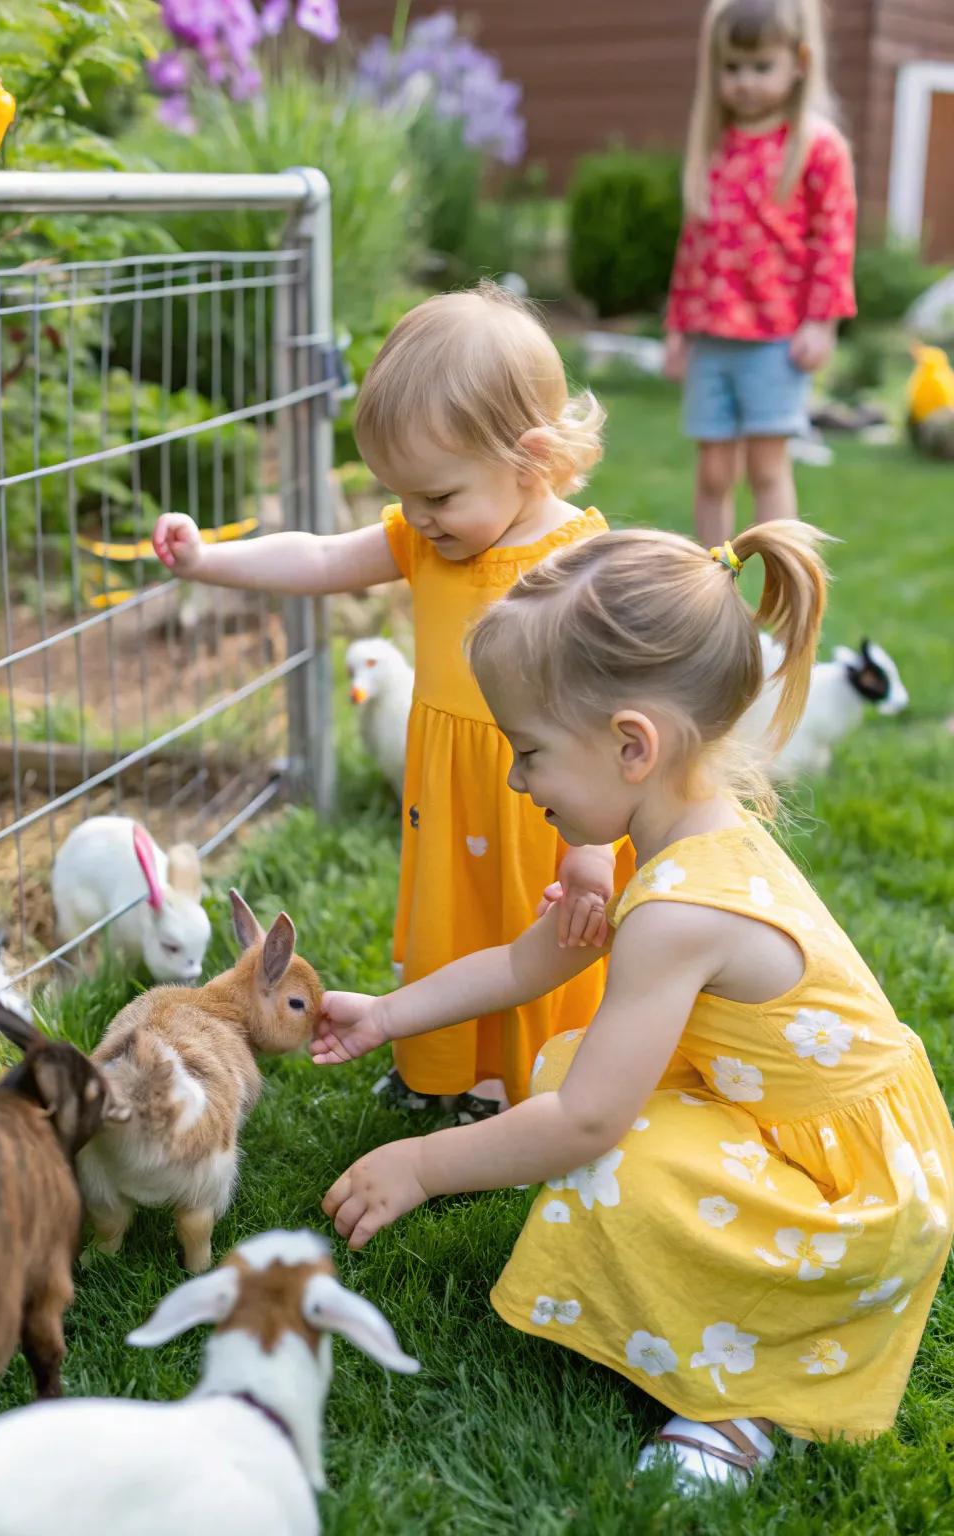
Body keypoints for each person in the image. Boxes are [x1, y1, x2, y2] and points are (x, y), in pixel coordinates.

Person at [312, 521, 954, 1490]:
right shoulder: (674, 829)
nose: (518, 780)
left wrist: (424, 1164)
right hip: (835, 1142)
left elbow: (583, 1124)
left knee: (608, 1150)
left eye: (528, 753)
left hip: (856, 1204)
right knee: (569, 1061)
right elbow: (532, 964)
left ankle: (735, 1402)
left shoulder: (679, 910)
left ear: (630, 745)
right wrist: (388, 1016)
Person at [152, 283, 632, 1118]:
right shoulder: (427, 537)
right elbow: (318, 558)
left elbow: (612, 706)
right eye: (402, 494)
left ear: (530, 459)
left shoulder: (575, 559)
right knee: (451, 930)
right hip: (448, 791)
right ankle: (441, 1067)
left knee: (534, 937)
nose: (417, 517)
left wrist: (592, 845)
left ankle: (519, 1084)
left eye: (439, 496)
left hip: (545, 802)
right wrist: (207, 562)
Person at [664, 0, 857, 544]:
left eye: (760, 66)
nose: (744, 82)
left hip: (775, 340)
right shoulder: (714, 144)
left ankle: (780, 591)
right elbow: (693, 246)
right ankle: (712, 589)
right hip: (710, 339)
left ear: (798, 62)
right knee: (713, 472)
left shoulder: (818, 147)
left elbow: (834, 242)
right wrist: (677, 329)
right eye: (731, 68)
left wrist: (822, 322)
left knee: (767, 469)